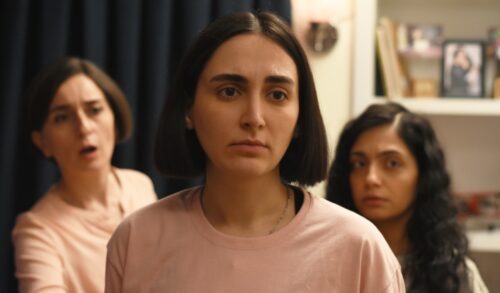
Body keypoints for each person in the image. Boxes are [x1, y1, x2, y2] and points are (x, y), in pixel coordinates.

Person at [105, 11, 405, 292]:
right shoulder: (137, 239)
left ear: (301, 117)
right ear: (188, 109)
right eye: (229, 91)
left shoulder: (358, 247)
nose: (254, 118)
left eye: (277, 95)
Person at [12, 57, 157, 292]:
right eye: (62, 117)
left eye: (95, 110)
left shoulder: (139, 185)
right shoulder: (37, 230)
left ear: (114, 118)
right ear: (42, 142)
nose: (84, 127)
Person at [326, 102, 489, 292]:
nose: (371, 178)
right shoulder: (325, 262)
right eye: (360, 163)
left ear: (422, 175)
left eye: (392, 163)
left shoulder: (454, 274)